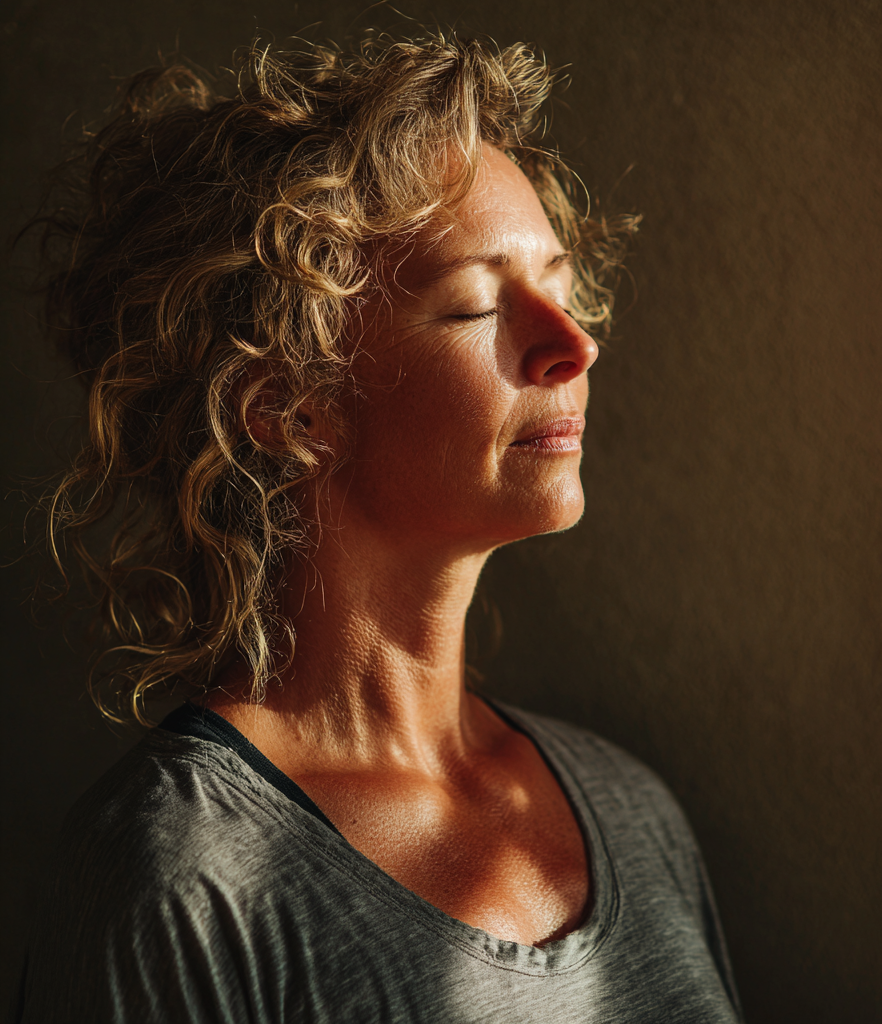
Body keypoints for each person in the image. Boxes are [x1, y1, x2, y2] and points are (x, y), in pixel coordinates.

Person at [16, 31, 743, 1023]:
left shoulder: (630, 807)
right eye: (475, 306)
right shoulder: (179, 878)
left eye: (561, 284)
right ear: (289, 408)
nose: (573, 345)